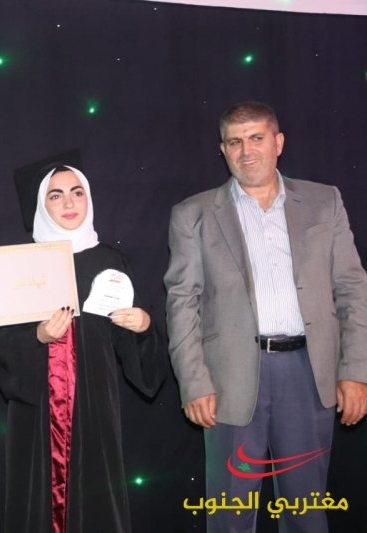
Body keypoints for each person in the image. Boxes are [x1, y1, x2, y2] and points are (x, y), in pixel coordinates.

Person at [164, 101, 367, 532]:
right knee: (230, 516)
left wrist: (355, 371)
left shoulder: (324, 201)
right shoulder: (192, 215)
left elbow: (353, 289)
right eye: (235, 141)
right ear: (222, 150)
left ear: (278, 142)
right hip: (229, 381)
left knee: (306, 513)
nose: (247, 150)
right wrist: (194, 381)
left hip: (308, 376)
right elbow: (182, 303)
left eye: (257, 138)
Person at [0, 165, 164, 533]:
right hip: (37, 409)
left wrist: (143, 327)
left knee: (94, 496)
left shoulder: (111, 262)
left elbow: (133, 356)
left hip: (93, 404)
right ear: (42, 205)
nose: (69, 203)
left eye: (76, 192)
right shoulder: (19, 264)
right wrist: (38, 336)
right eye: (56, 195)